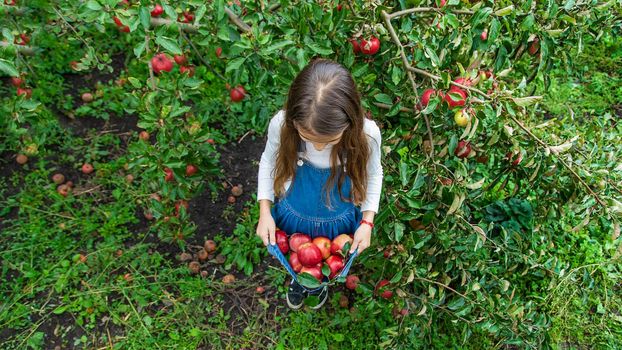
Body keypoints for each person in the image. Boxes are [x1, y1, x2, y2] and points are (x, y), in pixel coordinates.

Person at [255, 58, 383, 310]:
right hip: (296, 215)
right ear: (294, 121)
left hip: (338, 220)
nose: (319, 146)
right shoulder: (281, 125)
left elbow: (375, 173)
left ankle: (318, 281)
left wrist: (367, 222)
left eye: (330, 140)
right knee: (297, 257)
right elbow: (268, 162)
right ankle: (300, 281)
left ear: (350, 122)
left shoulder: (366, 135)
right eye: (307, 137)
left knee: (328, 261)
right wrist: (264, 211)